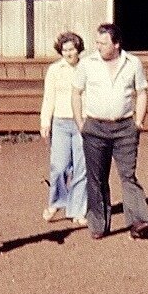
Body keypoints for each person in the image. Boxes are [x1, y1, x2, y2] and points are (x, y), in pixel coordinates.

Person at [71, 23, 148, 239]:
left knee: (128, 175)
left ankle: (138, 222)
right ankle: (98, 224)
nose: (98, 46)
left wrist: (138, 122)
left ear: (116, 44)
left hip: (125, 127)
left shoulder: (133, 63)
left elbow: (142, 93)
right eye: (97, 42)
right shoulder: (87, 64)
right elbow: (76, 93)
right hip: (95, 127)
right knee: (96, 178)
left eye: (103, 43)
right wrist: (81, 123)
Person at [39, 31, 88, 225]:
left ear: (78, 50)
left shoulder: (85, 68)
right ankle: (56, 202)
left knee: (81, 168)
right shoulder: (54, 70)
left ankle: (78, 210)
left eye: (72, 49)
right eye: (65, 50)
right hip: (60, 122)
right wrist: (45, 121)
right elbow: (48, 97)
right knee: (59, 167)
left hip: (82, 122)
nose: (68, 53)